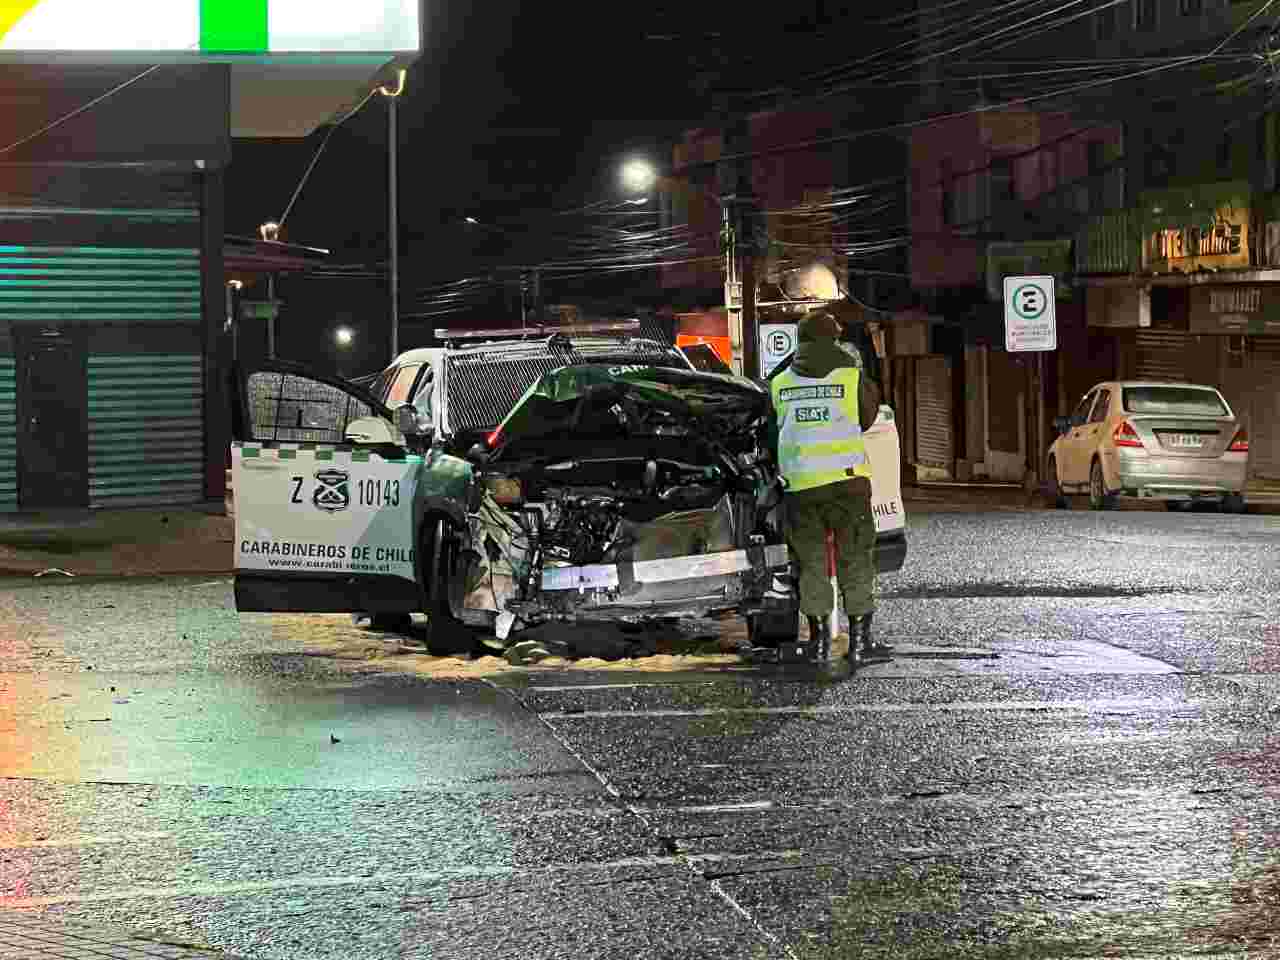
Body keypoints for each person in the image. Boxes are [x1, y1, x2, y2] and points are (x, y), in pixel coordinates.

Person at [767, 308, 892, 665]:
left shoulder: (780, 382)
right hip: (847, 485)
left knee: (811, 564)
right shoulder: (851, 377)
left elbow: (772, 432)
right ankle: (860, 643)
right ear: (833, 339)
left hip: (800, 488)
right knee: (855, 559)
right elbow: (868, 418)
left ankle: (820, 643)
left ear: (801, 341)